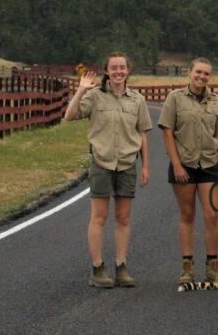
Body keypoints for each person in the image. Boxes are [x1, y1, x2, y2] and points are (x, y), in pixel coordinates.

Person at [64, 52, 152, 288]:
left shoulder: (137, 100)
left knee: (123, 218)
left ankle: (121, 267)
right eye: (114, 68)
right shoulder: (94, 97)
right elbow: (69, 115)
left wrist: (146, 166)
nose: (118, 72)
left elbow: (142, 133)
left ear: (128, 71)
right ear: (107, 71)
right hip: (102, 163)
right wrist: (81, 90)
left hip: (126, 164)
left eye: (122, 68)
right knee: (99, 217)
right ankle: (97, 268)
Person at [158, 57, 218, 286]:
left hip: (210, 165)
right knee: (187, 215)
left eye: (206, 74)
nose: (202, 77)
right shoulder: (175, 99)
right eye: (198, 72)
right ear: (189, 72)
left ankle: (213, 267)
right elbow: (167, 132)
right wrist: (177, 165)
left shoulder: (216, 101)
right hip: (185, 164)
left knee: (212, 215)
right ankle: (187, 267)